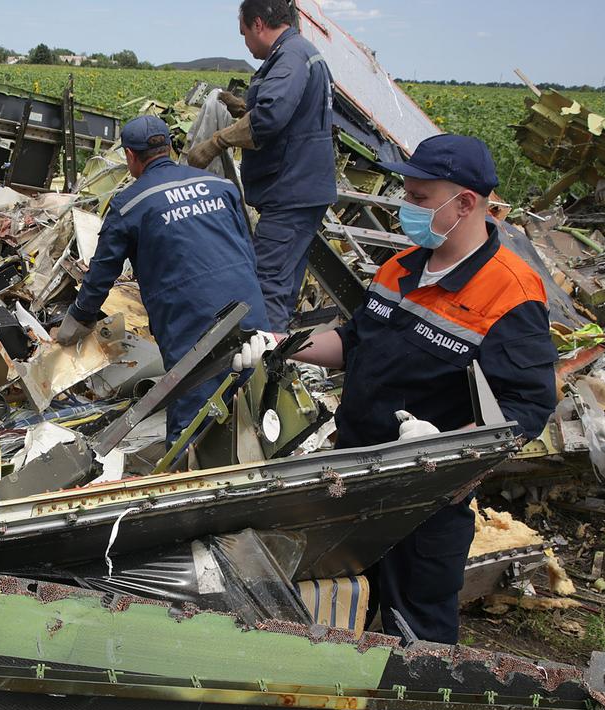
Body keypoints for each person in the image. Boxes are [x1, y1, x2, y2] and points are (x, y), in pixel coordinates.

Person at [237, 134, 558, 643]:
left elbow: (528, 405)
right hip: (353, 476)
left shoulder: (510, 293)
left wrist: (446, 448)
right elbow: (354, 341)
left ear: (466, 203)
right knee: (346, 606)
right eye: (406, 194)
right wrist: (282, 345)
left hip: (424, 500)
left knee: (419, 630)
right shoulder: (401, 266)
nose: (406, 207)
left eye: (419, 198)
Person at [57, 115, 268, 446]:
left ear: (129, 156)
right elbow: (248, 248)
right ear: (170, 147)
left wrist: (78, 320)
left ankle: (188, 488)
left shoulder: (130, 205)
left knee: (192, 424)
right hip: (251, 310)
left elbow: (101, 274)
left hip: (194, 328)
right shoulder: (223, 187)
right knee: (256, 404)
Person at [186, 0, 337, 334]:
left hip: (290, 192)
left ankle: (257, 370)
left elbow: (270, 117)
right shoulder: (302, 53)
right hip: (300, 191)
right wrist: (244, 107)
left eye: (243, 33)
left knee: (266, 286)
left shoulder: (290, 56)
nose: (244, 43)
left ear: (258, 24)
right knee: (281, 285)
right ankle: (272, 361)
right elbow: (291, 115)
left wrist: (216, 143)